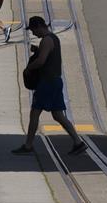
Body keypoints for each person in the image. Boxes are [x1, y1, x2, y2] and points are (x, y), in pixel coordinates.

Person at [12, 16, 86, 155]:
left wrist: (29, 69)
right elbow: (48, 55)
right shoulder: (53, 38)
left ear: (40, 26)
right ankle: (78, 142)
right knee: (58, 115)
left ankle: (28, 145)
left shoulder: (46, 40)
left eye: (34, 30)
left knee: (35, 113)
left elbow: (41, 61)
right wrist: (37, 50)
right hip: (56, 81)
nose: (33, 33)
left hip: (47, 82)